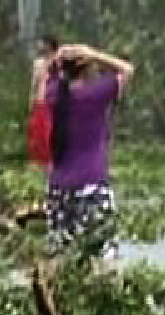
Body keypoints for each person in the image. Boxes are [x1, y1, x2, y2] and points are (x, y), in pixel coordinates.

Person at [45, 43, 134, 260]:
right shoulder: (96, 94)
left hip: (59, 189)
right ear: (87, 68)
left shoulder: (54, 94)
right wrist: (94, 53)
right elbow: (126, 70)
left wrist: (59, 59)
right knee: (103, 253)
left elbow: (50, 74)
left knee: (61, 255)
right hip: (91, 185)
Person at [27, 35, 61, 168]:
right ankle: (38, 160)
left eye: (42, 43)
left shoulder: (59, 61)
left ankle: (52, 159)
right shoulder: (38, 63)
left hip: (53, 101)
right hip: (40, 100)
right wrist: (31, 100)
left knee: (50, 132)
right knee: (37, 132)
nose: (40, 46)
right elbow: (34, 83)